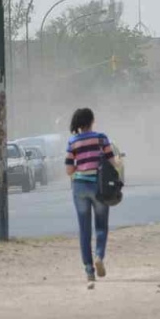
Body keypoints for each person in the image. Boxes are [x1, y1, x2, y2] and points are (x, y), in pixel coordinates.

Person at [65, 108, 119, 283]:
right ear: (92, 121)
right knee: (101, 226)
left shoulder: (72, 142)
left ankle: (89, 270)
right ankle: (99, 257)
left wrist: (80, 165)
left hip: (79, 186)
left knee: (84, 230)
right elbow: (113, 162)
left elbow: (68, 170)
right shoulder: (101, 138)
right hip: (98, 187)